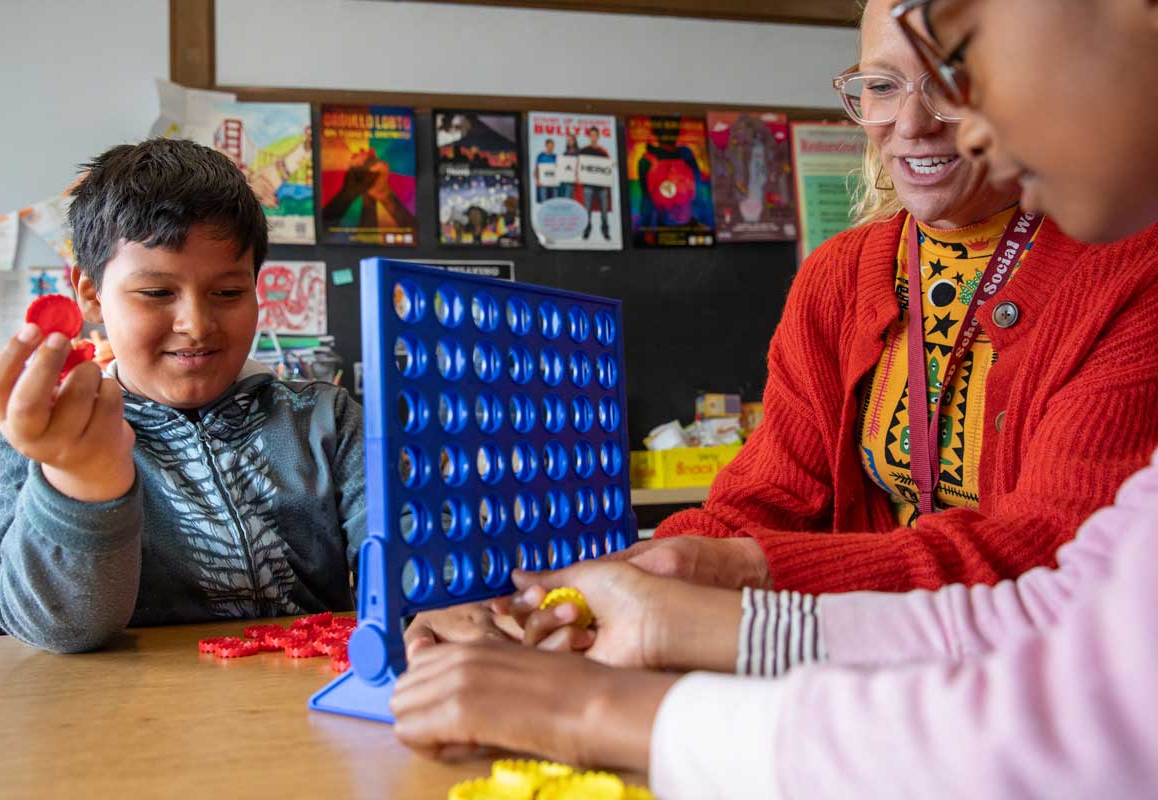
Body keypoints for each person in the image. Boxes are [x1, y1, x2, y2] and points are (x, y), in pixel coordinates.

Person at [390, 0, 1158, 796]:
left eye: (961, 68)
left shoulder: (1130, 257)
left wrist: (605, 700)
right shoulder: (841, 276)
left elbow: (1046, 613)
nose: (935, 123)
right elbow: (761, 514)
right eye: (883, 86)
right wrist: (570, 603)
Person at [0, 138, 367, 654]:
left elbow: (412, 558)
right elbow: (60, 631)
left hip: (306, 709)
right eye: (156, 293)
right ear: (90, 295)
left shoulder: (325, 419)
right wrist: (82, 481)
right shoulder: (24, 439)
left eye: (228, 293)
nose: (196, 325)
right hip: (118, 720)